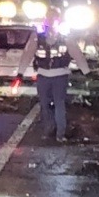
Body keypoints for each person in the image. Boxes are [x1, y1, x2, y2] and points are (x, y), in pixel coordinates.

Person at [17, 9, 90, 141]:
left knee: (49, 105)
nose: (50, 20)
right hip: (53, 75)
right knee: (55, 104)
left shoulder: (44, 35)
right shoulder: (55, 35)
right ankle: (57, 133)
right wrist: (87, 72)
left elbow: (28, 53)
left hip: (50, 75)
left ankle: (52, 131)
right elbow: (77, 53)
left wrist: (20, 73)